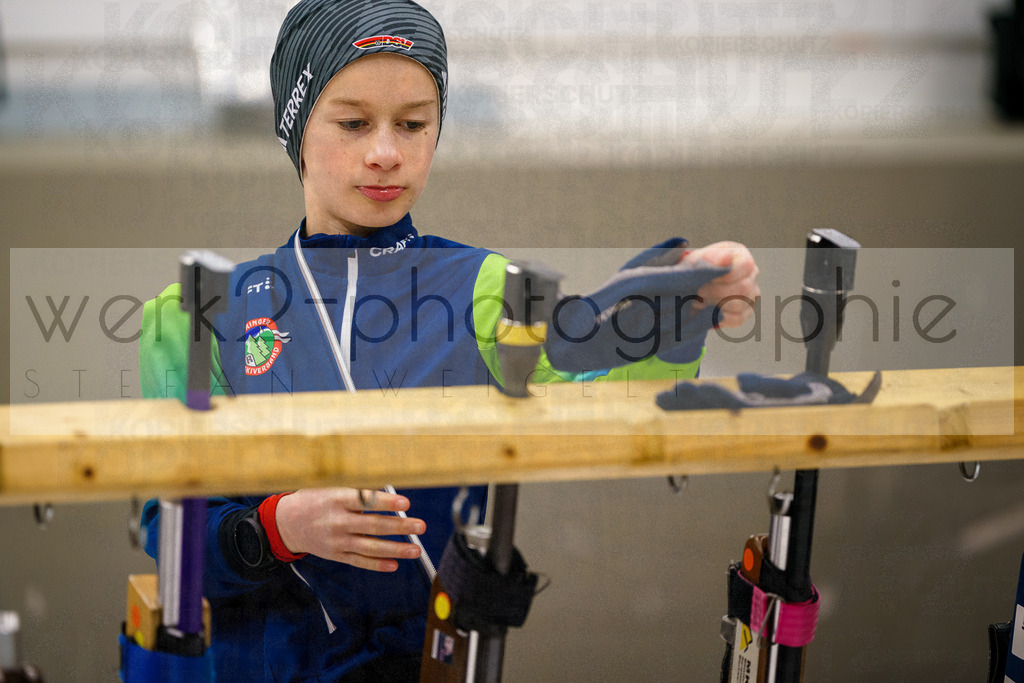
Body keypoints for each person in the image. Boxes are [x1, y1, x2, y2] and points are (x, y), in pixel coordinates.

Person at [137, 0, 760, 680]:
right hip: (259, 665)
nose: (386, 152)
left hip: (431, 662)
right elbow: (169, 539)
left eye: (413, 124)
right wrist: (281, 527)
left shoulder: (485, 288)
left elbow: (610, 387)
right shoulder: (203, 314)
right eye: (352, 122)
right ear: (295, 125)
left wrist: (682, 301)